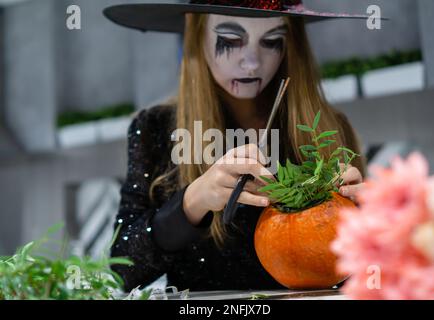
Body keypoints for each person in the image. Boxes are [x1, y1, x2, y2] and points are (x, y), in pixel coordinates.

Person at [104, 0, 368, 292]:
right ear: (197, 33)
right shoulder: (155, 128)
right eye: (230, 41)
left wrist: (367, 219)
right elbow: (122, 270)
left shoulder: (327, 127)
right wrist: (192, 202)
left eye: (272, 41)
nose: (252, 62)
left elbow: (364, 274)